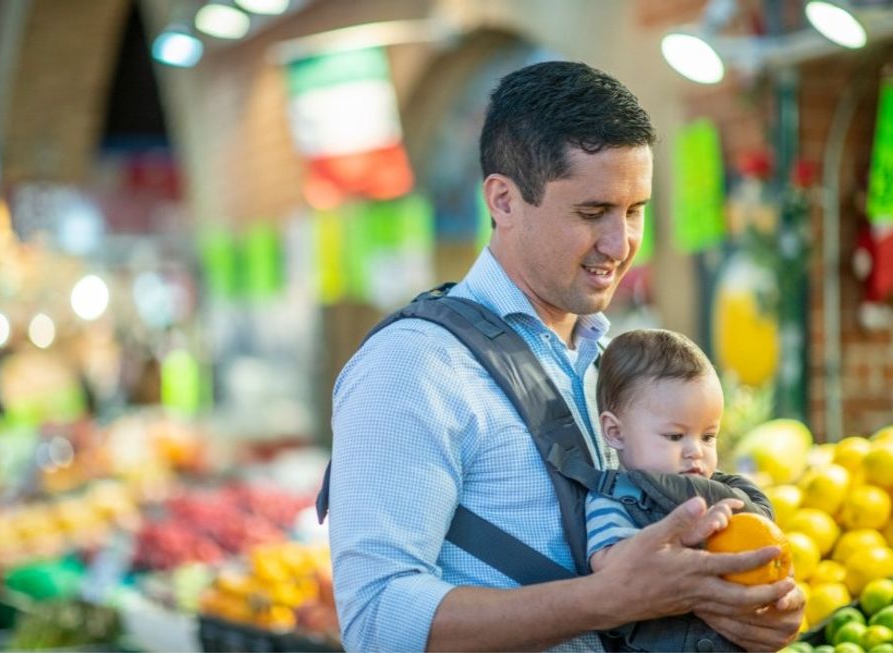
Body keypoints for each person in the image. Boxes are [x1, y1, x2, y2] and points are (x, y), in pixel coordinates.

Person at [328, 60, 804, 652]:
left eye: (635, 211)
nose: (621, 244)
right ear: (503, 200)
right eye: (592, 212)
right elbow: (376, 622)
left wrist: (743, 606)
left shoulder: (611, 362)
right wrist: (607, 600)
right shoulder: (413, 369)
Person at [586, 328, 774, 650]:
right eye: (675, 437)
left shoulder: (723, 491)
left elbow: (765, 527)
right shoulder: (613, 499)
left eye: (708, 436)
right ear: (616, 432)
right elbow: (611, 571)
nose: (695, 452)